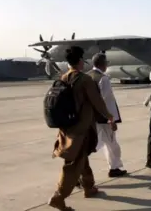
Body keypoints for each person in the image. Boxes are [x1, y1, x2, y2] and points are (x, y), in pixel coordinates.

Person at [48, 46, 114, 211]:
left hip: (66, 126)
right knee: (73, 162)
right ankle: (59, 196)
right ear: (79, 62)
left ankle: (89, 187)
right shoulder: (85, 80)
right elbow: (97, 101)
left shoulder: (63, 77)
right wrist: (110, 116)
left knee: (81, 156)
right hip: (81, 127)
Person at [87, 53, 127, 178]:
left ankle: (79, 168)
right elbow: (106, 100)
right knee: (111, 143)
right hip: (104, 118)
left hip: (91, 117)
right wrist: (111, 119)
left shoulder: (88, 76)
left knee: (96, 143)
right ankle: (114, 168)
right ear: (103, 64)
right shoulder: (103, 79)